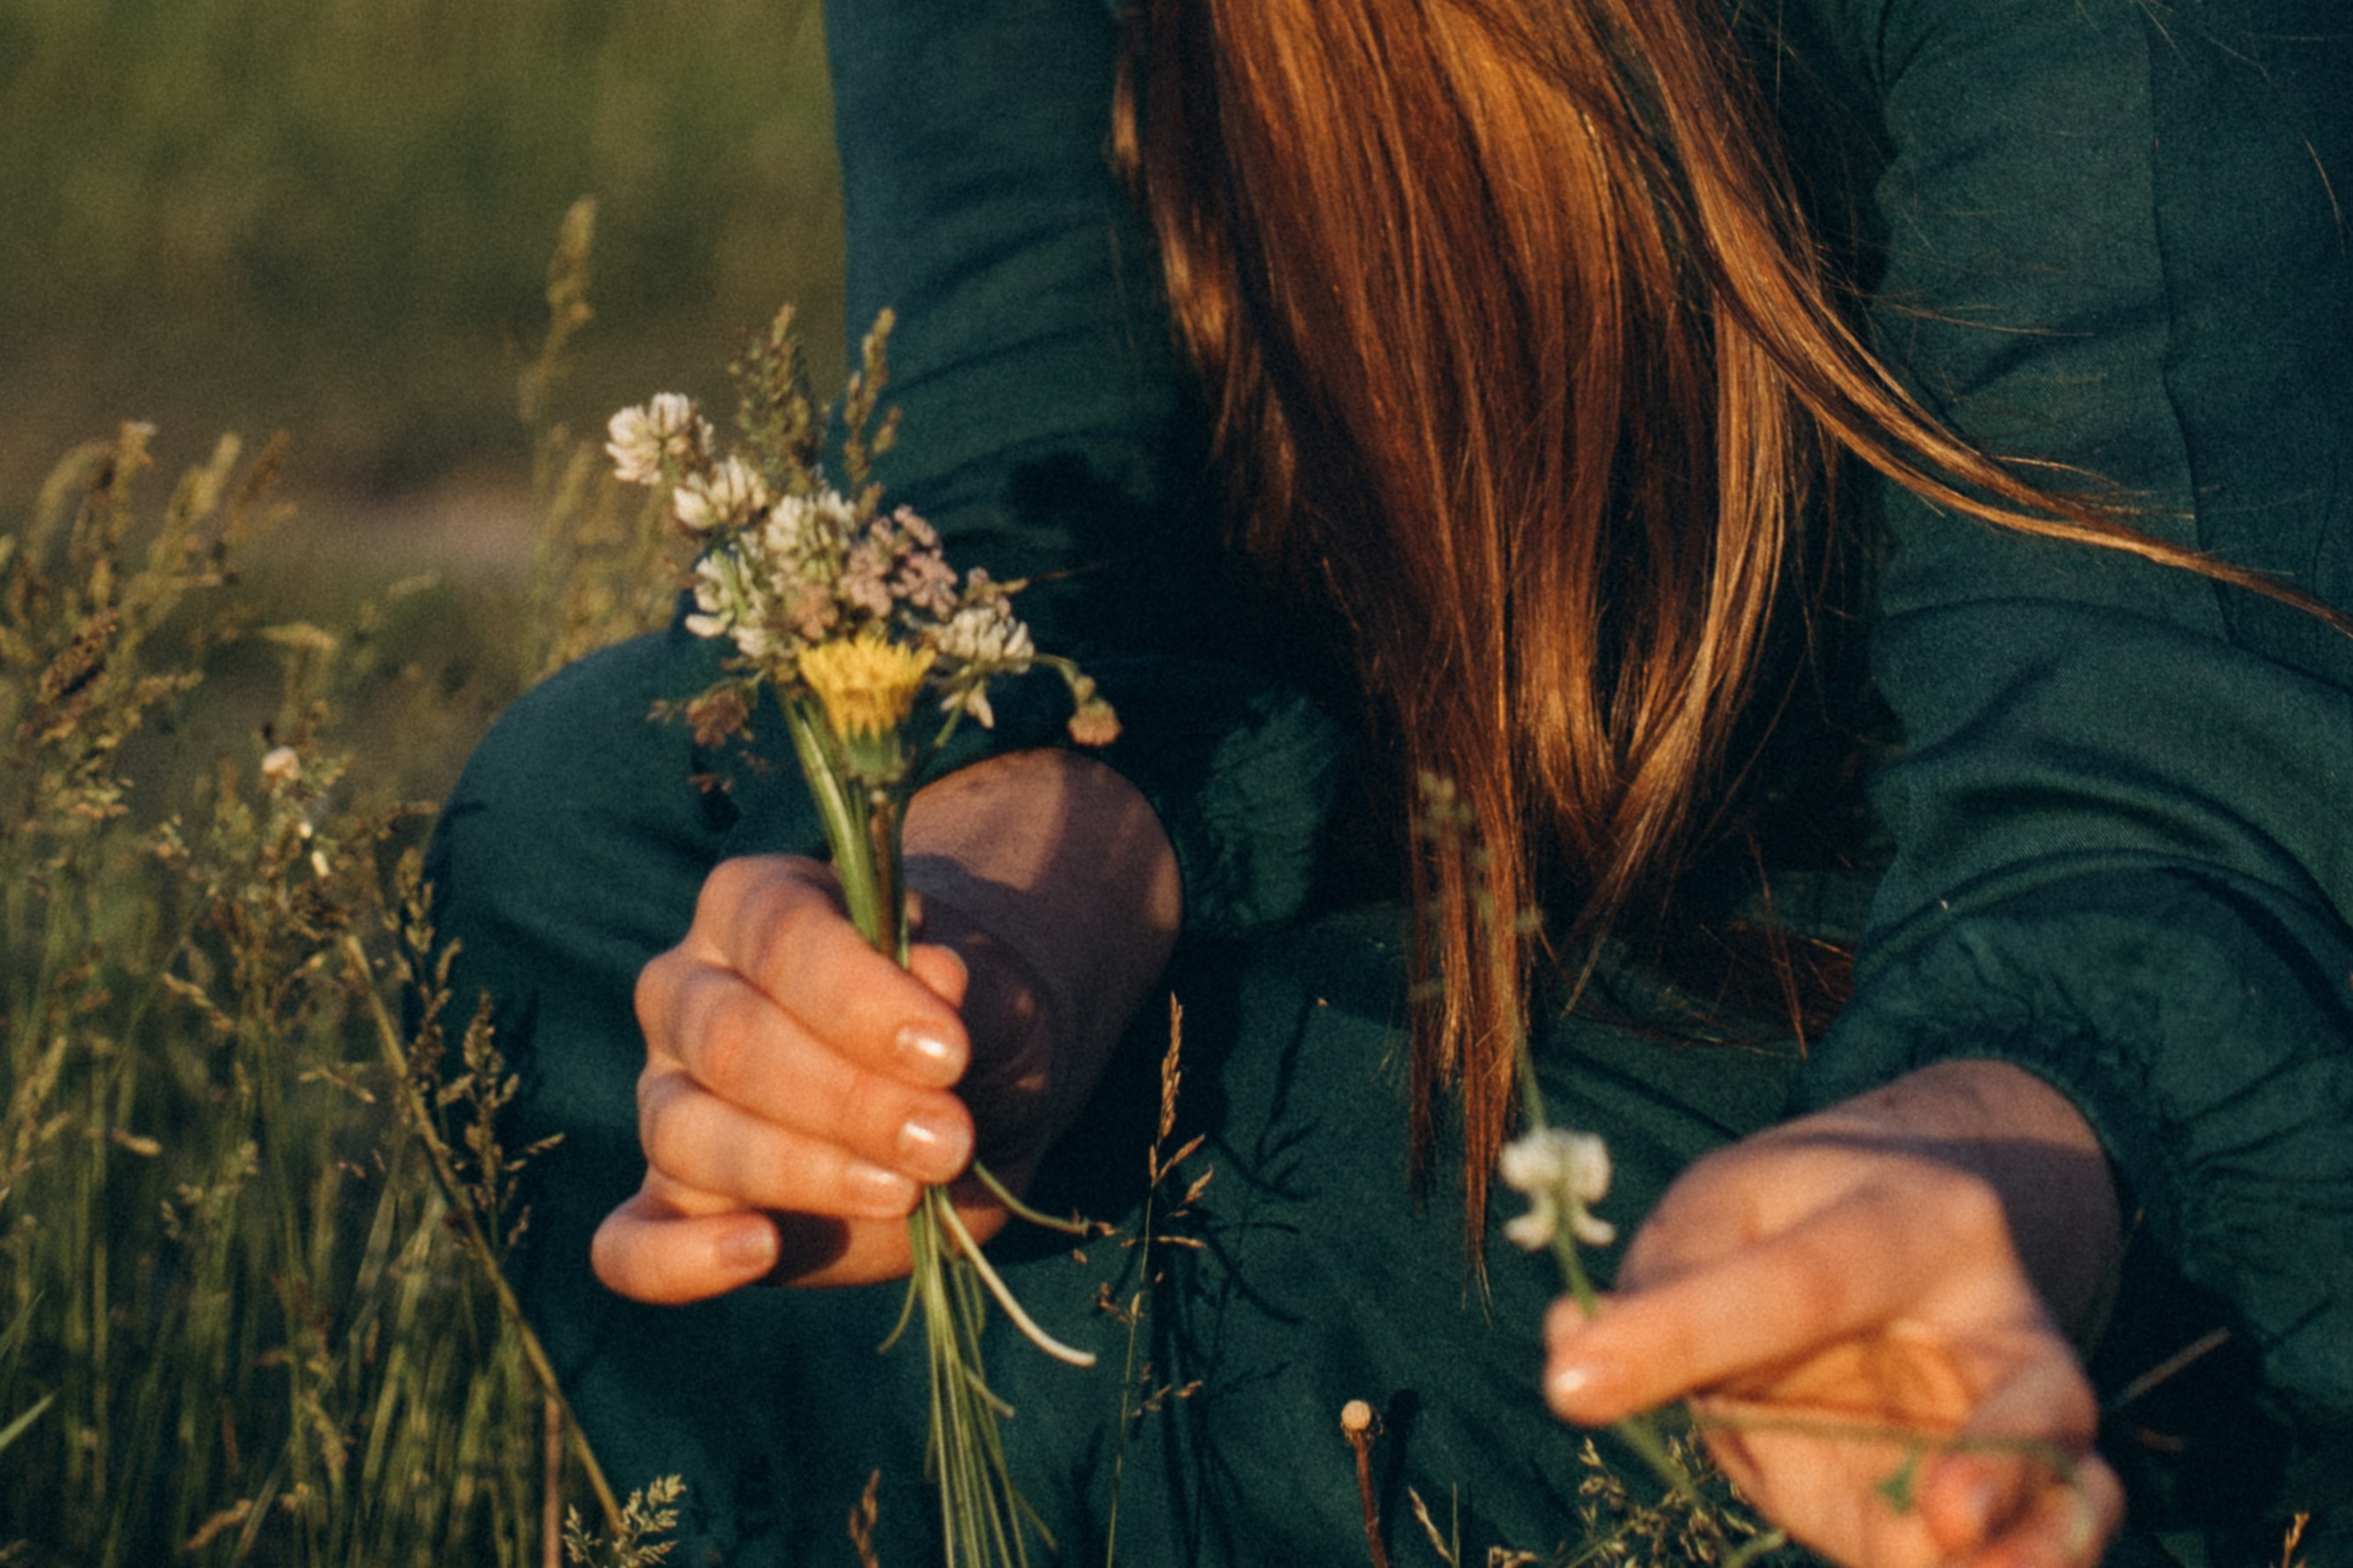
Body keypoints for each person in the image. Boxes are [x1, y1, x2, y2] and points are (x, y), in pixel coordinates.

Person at [426, 1, 2353, 1564]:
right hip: (1464, 913)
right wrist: (970, 929)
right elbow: (1025, 491)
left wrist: (1970, 1175)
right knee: (607, 831)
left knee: (1443, 1216)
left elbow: (2163, 788)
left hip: (2011, 993)